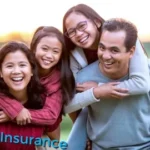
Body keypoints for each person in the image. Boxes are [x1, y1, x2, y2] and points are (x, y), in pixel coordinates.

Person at [62, 3, 150, 150]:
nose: (78, 33)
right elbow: (70, 101)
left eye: (82, 26)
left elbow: (142, 84)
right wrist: (96, 92)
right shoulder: (75, 57)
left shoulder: (125, 37)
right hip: (91, 103)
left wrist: (101, 88)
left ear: (96, 22)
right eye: (71, 31)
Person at [0, 26, 75, 142]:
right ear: (34, 48)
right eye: (44, 49)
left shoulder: (57, 80)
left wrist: (14, 115)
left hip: (44, 131)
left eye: (55, 51)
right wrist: (15, 108)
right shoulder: (21, 65)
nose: (49, 55)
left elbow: (50, 115)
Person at [0, 41, 45, 149]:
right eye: (9, 66)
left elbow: (54, 141)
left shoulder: (43, 104)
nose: (16, 71)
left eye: (22, 65)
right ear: (0, 72)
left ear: (32, 70)